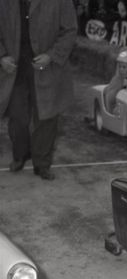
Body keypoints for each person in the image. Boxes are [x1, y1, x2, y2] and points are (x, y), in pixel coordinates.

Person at [0, 0, 77, 181]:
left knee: (47, 117)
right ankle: (20, 154)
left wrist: (51, 55)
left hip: (47, 67)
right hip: (15, 70)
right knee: (17, 116)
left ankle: (42, 163)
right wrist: (1, 56)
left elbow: (70, 30)